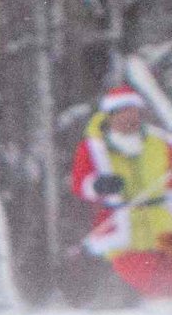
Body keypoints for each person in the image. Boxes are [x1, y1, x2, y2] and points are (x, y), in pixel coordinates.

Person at [71, 87, 172, 299]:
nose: (130, 118)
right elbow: (80, 183)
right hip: (120, 229)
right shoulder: (92, 147)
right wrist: (99, 185)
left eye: (134, 112)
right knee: (148, 282)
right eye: (123, 113)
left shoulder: (160, 142)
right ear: (110, 117)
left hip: (163, 226)